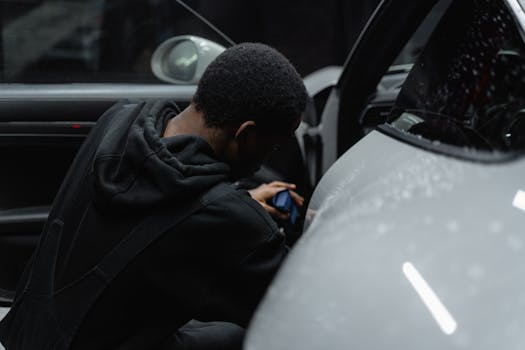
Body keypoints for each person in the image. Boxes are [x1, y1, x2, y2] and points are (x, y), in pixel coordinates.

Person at [0, 43, 307, 349]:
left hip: (28, 336)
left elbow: (154, 214)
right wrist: (244, 217)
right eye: (273, 146)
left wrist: (241, 203)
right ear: (246, 135)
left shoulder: (119, 121)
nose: (269, 156)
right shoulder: (231, 224)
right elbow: (301, 310)